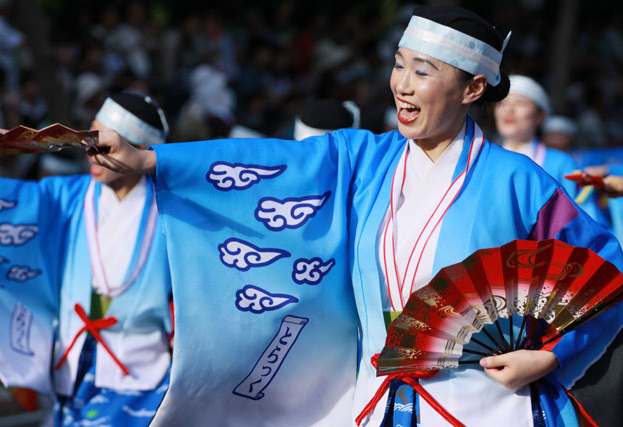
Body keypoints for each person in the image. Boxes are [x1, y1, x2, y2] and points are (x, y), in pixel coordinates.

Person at [63, 6, 623, 427]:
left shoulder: (518, 181)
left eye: (423, 72)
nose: (401, 84)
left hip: (485, 405)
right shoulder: (365, 159)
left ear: (473, 87)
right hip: (377, 400)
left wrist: (549, 355)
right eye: (399, 65)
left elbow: (607, 277)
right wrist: (153, 159)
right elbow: (279, 162)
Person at [0, 91, 173, 426]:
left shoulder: (174, 214)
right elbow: (10, 202)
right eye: (89, 136)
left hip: (144, 373)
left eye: (105, 143)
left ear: (139, 152)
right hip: (74, 364)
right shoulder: (67, 197)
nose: (91, 150)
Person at [494, 74, 611, 229]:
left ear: (540, 116)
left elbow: (586, 224)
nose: (508, 110)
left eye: (520, 102)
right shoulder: (481, 159)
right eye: (502, 102)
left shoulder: (562, 163)